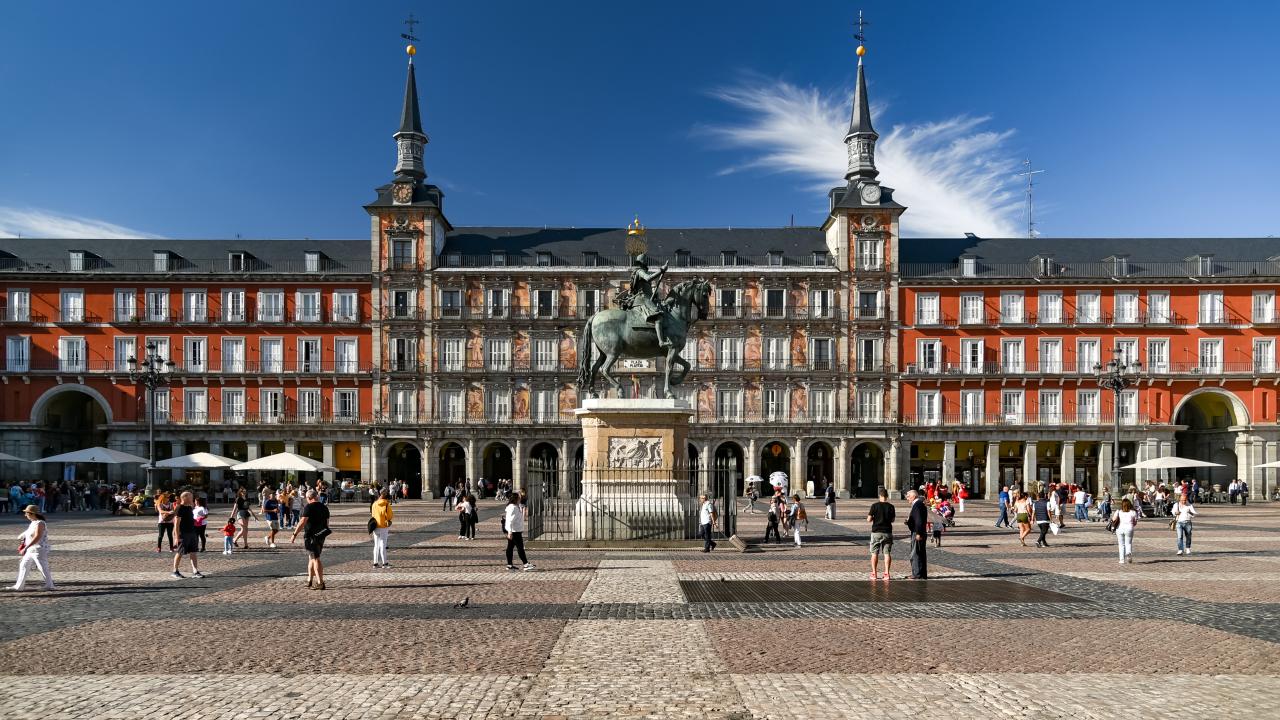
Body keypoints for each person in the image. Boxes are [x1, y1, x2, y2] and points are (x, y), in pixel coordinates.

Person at [6, 505, 54, 591]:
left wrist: (26, 547)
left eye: (26, 513)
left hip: (38, 549)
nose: (25, 515)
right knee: (23, 565)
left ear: (32, 514)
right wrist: (22, 535)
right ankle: (19, 586)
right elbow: (29, 532)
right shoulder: (33, 522)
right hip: (31, 549)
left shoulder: (40, 523)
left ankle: (49, 585)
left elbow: (37, 537)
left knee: (42, 567)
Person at [291, 490, 330, 590]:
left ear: (308, 498)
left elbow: (302, 522)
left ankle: (320, 582)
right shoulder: (324, 507)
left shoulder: (309, 507)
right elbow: (327, 523)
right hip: (321, 535)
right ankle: (309, 580)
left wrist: (294, 534)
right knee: (311, 557)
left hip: (311, 536)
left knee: (315, 558)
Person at [170, 491, 204, 579]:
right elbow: (176, 524)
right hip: (183, 533)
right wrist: (176, 537)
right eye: (190, 497)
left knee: (193, 552)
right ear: (185, 497)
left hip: (192, 532)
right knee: (180, 552)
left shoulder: (189, 508)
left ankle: (195, 571)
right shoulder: (179, 508)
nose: (192, 498)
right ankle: (175, 571)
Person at [867, 487, 895, 580]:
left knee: (874, 553)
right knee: (887, 553)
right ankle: (887, 573)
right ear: (887, 496)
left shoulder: (874, 506)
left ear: (880, 495)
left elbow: (869, 519)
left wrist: (875, 518)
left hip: (876, 532)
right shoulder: (891, 507)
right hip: (887, 532)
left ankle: (874, 573)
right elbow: (893, 520)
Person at [503, 492, 534, 571]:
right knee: (520, 548)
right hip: (514, 531)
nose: (521, 498)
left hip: (514, 530)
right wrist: (510, 532)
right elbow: (510, 520)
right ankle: (525, 564)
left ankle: (509, 565)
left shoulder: (514, 507)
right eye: (519, 497)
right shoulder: (513, 508)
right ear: (516, 499)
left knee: (510, 547)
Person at [904, 490, 928, 580]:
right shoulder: (919, 504)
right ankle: (921, 573)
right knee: (920, 552)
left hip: (917, 532)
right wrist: (909, 522)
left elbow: (919, 521)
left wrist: (918, 533)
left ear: (913, 496)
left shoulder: (917, 505)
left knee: (915, 553)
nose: (907, 498)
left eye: (908, 496)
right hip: (919, 531)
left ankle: (916, 574)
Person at [1112, 497, 1139, 564]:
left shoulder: (1118, 511)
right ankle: (1128, 553)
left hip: (1120, 528)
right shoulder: (1133, 512)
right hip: (1129, 528)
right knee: (1128, 543)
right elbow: (1135, 522)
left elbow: (1113, 519)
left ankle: (1121, 560)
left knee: (1121, 544)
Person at [370, 489, 393, 568]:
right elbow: (390, 516)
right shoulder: (386, 504)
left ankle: (375, 563)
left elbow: (372, 515)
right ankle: (384, 563)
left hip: (376, 526)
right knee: (383, 544)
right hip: (383, 526)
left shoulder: (374, 504)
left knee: (376, 545)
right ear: (385, 494)